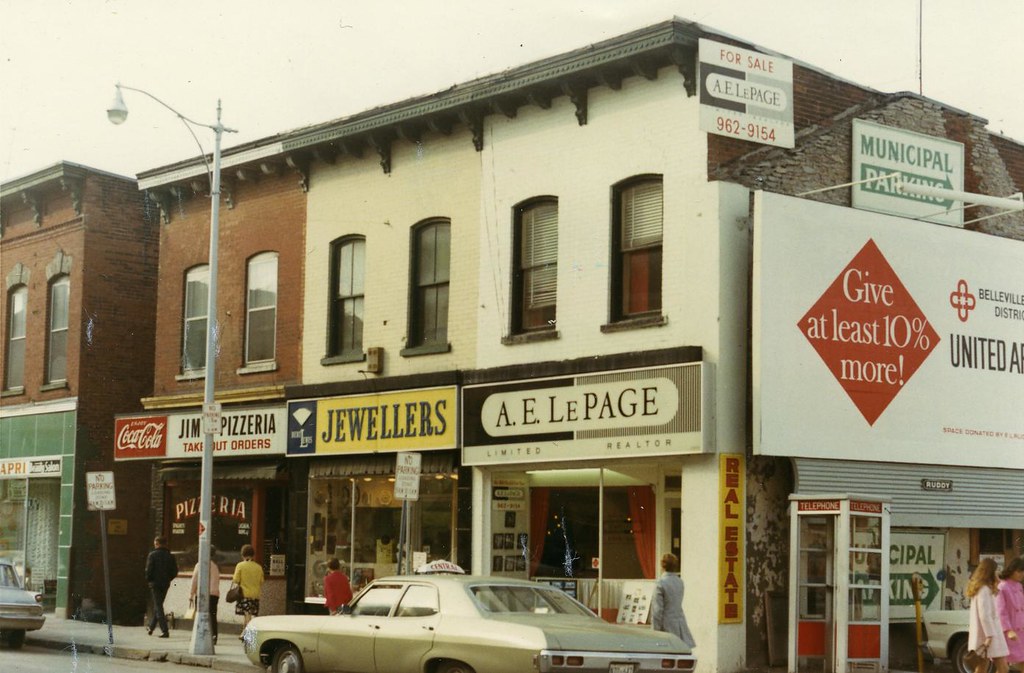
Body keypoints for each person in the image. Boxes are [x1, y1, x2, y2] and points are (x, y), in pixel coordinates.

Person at [968, 557, 1010, 673]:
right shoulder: (984, 590)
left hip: (984, 635)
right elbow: (985, 615)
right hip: (990, 636)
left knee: (982, 668)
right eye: (996, 571)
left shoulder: (980, 588)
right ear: (990, 572)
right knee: (1003, 668)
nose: (998, 573)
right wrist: (990, 636)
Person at [651, 552, 695, 648]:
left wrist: (655, 632)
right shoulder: (680, 581)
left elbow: (657, 610)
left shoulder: (660, 583)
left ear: (662, 566)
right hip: (679, 623)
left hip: (666, 626)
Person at [145, 535, 179, 638]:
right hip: (165, 583)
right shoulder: (170, 556)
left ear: (158, 544)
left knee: (158, 606)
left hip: (155, 584)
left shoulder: (152, 555)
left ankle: (165, 630)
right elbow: (175, 571)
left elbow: (149, 570)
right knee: (158, 605)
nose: (154, 545)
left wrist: (149, 579)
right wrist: (168, 579)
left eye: (155, 543)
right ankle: (151, 627)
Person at [189, 545, 221, 644]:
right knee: (212, 615)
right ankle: (214, 636)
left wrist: (191, 594)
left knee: (200, 614)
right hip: (214, 594)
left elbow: (194, 580)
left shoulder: (200, 565)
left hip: (202, 594)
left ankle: (200, 634)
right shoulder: (215, 566)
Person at [996, 558, 1024, 667]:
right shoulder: (1002, 587)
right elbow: (1001, 611)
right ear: (1012, 570)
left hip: (1021, 631)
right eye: (1019, 571)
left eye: (1023, 571)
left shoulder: (1019, 586)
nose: (1021, 574)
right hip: (1009, 633)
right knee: (1003, 665)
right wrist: (1008, 630)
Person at [232, 544, 265, 632]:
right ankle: (244, 632)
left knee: (247, 614)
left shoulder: (240, 565)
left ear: (243, 554)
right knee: (249, 613)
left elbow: (235, 580)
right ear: (253, 554)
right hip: (255, 594)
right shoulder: (258, 567)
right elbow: (261, 581)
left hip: (244, 594)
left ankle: (248, 634)